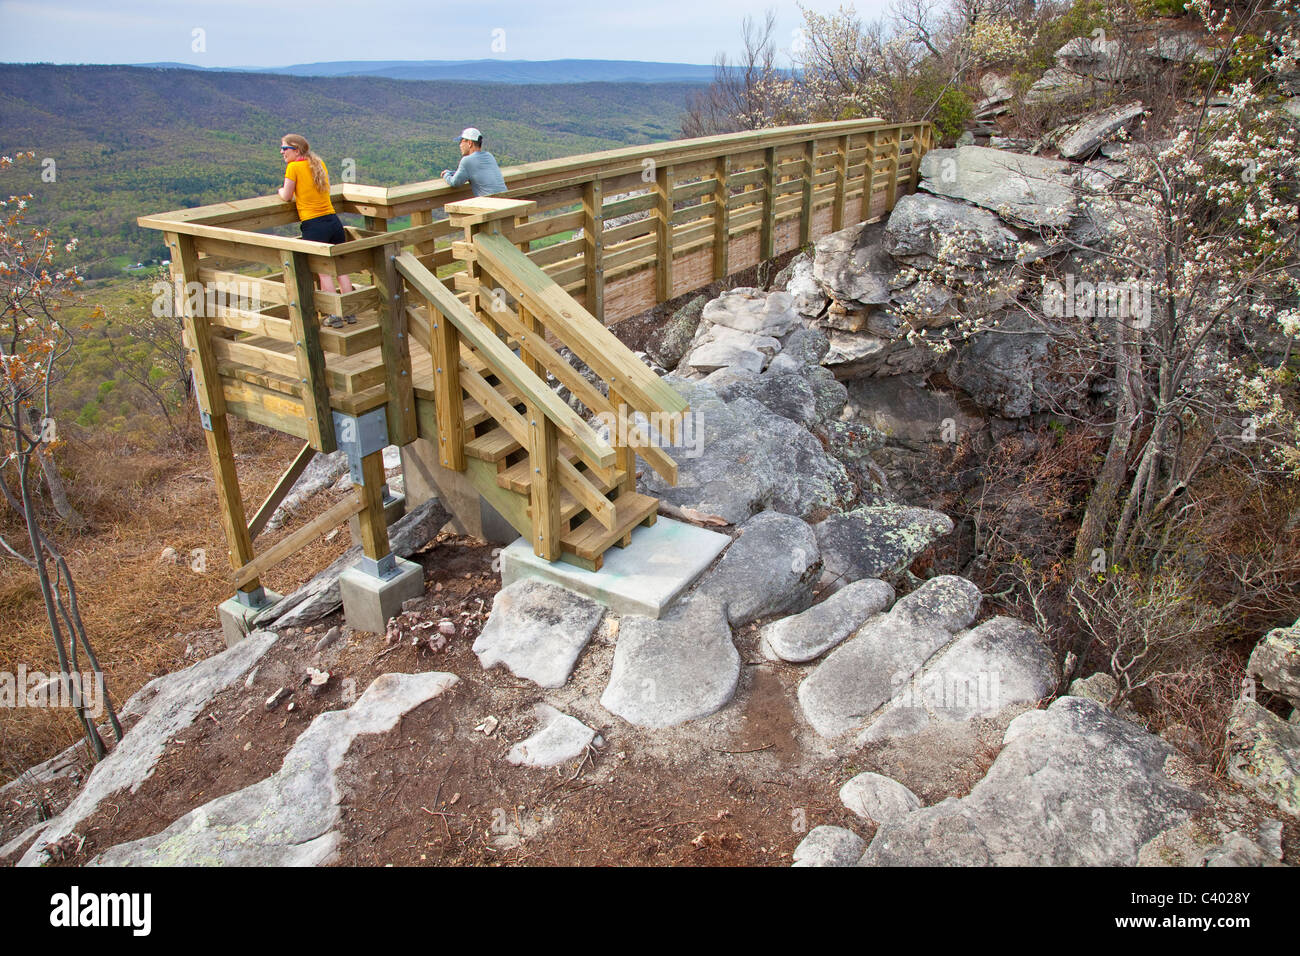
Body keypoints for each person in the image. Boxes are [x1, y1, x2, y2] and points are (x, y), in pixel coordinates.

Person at [276, 133, 355, 327]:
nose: (282, 152)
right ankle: (350, 311)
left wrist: (279, 191)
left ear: (296, 150)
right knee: (341, 268)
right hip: (333, 221)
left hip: (314, 224)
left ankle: (334, 315)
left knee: (324, 272)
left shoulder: (293, 167)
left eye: (285, 148)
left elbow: (286, 196)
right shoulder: (318, 163)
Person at [440, 127, 507, 197]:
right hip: (506, 201)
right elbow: (470, 172)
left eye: (461, 142)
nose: (460, 145)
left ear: (469, 143)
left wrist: (446, 174)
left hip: (489, 204)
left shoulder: (467, 160)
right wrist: (452, 172)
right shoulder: (489, 156)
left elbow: (454, 183)